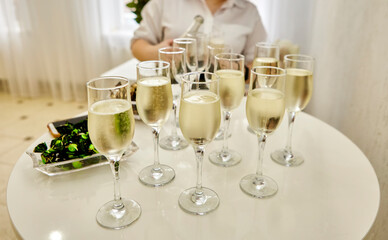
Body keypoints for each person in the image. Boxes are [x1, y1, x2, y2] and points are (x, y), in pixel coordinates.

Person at [130, 0, 267, 67]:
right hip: (172, 94)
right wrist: (156, 53)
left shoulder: (249, 12)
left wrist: (240, 69)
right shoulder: (164, 2)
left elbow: (260, 63)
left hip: (225, 99)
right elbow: (138, 43)